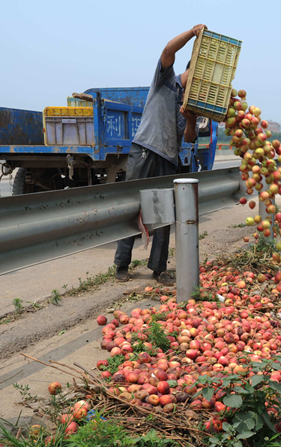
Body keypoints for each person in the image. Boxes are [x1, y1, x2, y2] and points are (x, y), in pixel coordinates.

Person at [114, 24, 205, 284]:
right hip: (144, 150)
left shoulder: (191, 104)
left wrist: (189, 119)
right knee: (134, 208)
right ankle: (122, 263)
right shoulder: (165, 80)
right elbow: (168, 50)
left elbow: (188, 138)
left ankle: (159, 268)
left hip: (168, 158)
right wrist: (191, 33)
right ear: (193, 71)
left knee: (165, 214)